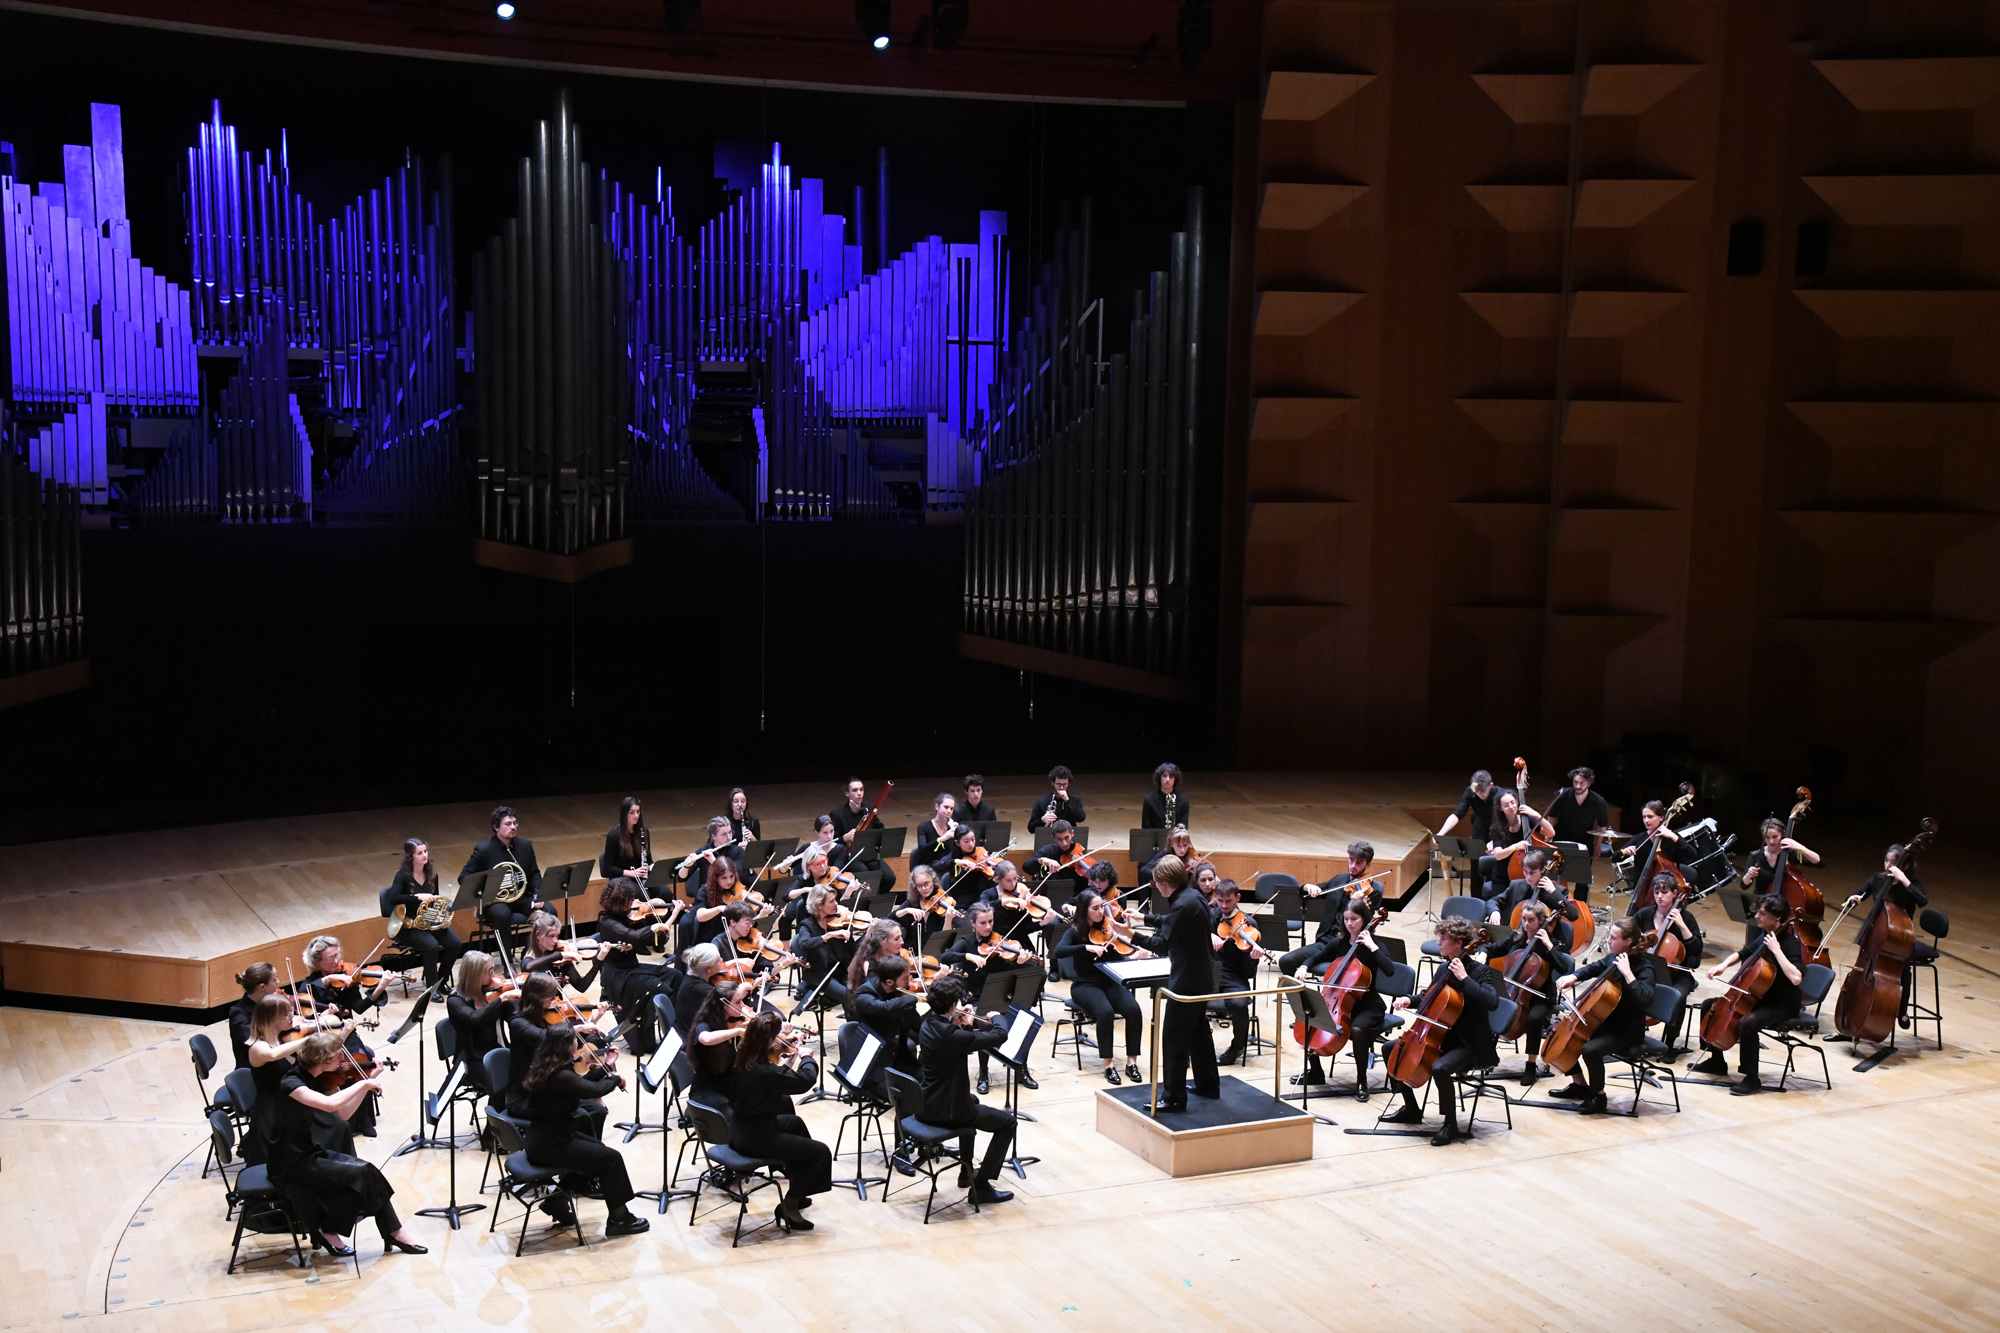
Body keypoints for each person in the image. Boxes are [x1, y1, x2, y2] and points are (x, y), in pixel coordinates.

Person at [268, 1031, 428, 1257]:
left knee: (366, 1173)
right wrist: (362, 1085)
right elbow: (330, 1104)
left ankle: (391, 1232)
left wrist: (366, 1081)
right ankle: (370, 1232)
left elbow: (343, 1113)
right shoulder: (292, 1083)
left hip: (308, 1151)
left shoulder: (321, 1078)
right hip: (289, 1161)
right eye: (337, 1057)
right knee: (363, 1173)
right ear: (322, 1060)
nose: (343, 1061)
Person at [520, 1022, 649, 1235]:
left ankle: (556, 1200)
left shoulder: (548, 1065)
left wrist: (606, 1067)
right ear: (567, 1045)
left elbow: (580, 1085)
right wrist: (615, 1079)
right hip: (552, 1145)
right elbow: (591, 1090)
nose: (577, 1044)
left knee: (598, 1152)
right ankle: (619, 1218)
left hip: (545, 1139)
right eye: (574, 1040)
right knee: (611, 1158)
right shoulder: (560, 1074)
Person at [1381, 916, 1500, 1145]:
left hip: (1469, 1043)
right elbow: (1431, 996)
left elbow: (1492, 1001)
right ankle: (1411, 1109)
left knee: (1441, 1068)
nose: (1438, 943)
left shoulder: (1479, 972)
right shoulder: (1445, 967)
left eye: (1443, 939)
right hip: (1442, 1037)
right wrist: (1410, 1000)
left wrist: (1464, 978)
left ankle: (1450, 1125)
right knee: (1390, 1049)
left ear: (1458, 943)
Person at [913, 974, 1016, 1204]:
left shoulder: (928, 1022)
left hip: (927, 1100)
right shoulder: (951, 1035)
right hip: (948, 1110)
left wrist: (962, 1023)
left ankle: (965, 1173)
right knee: (1008, 1123)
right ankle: (981, 1186)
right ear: (951, 1005)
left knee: (973, 1102)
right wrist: (997, 1016)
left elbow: (956, 1045)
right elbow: (1000, 1035)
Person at [1691, 895, 1805, 1094]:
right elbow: (1744, 952)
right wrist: (1723, 965)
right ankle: (1717, 1061)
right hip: (1762, 996)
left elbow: (1796, 977)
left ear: (1777, 918)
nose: (1757, 916)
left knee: (1748, 1022)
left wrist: (1777, 951)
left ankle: (1752, 1079)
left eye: (1762, 913)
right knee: (1710, 1005)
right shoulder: (1765, 934)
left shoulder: (1789, 943)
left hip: (1782, 1003)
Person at [728, 1012, 832, 1231]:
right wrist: (806, 1057)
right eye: (777, 1035)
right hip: (756, 1137)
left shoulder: (745, 1053)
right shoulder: (763, 1071)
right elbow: (804, 1081)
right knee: (821, 1153)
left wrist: (788, 1056)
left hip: (743, 1127)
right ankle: (789, 1205)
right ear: (768, 1039)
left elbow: (776, 1074)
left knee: (795, 1123)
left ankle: (800, 1186)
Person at [1549, 918, 1658, 1114]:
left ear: (1628, 941)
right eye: (1609, 936)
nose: (1608, 941)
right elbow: (1594, 967)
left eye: (1613, 938)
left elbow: (1646, 999)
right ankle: (1580, 1085)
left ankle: (1598, 1096)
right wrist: (1574, 977)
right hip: (1607, 1022)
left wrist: (1628, 975)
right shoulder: (1614, 957)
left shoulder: (1645, 968)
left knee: (1590, 1050)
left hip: (1627, 1030)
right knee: (1557, 1033)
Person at [1288, 899, 1392, 1099]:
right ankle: (1316, 1072)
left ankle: (1362, 1081)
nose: (1349, 923)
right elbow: (1316, 957)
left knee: (1357, 1030)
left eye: (1354, 919)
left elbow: (1389, 970)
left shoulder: (1375, 945)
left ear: (1365, 920)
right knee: (1309, 1020)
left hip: (1368, 1005)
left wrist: (1372, 947)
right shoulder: (1340, 942)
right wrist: (1304, 967)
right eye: (1346, 919)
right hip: (1337, 1001)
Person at [1138, 854, 1218, 1112]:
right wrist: (1143, 919)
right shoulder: (1192, 896)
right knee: (1198, 1034)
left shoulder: (1183, 904)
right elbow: (1171, 922)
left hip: (1187, 981)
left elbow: (1161, 944)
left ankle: (1173, 1098)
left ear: (1163, 882)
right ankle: (1207, 1084)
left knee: (1173, 1038)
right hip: (1202, 976)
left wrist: (1129, 934)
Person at [941, 901, 1044, 1092]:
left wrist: (1020, 962)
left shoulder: (1002, 942)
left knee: (1022, 1022)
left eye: (991, 921)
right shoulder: (967, 942)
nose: (988, 927)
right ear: (973, 923)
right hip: (979, 996)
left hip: (1004, 992)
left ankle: (1021, 1068)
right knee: (986, 1024)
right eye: (983, 923)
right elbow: (946, 956)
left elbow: (1020, 970)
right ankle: (983, 1071)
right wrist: (968, 957)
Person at [1055, 888, 1149, 1085]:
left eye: (1102, 907)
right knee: (1105, 1012)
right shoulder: (1075, 932)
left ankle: (1132, 1062)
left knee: (1133, 1010)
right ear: (1084, 910)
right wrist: (1085, 947)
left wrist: (1134, 954)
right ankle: (1108, 1065)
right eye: (1096, 908)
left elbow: (1120, 953)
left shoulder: (1109, 927)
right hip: (1085, 985)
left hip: (1110, 982)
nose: (1101, 912)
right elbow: (1058, 952)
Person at [462, 805, 546, 962]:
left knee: (550, 912)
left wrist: (537, 894)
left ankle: (530, 954)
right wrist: (487, 888)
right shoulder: (484, 849)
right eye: (508, 824)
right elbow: (464, 877)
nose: (513, 827)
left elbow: (534, 873)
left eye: (515, 823)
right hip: (495, 901)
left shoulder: (525, 846)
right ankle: (508, 963)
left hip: (521, 898)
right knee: (503, 914)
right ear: (496, 827)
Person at [1497, 900, 1564, 1087]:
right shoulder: (1517, 937)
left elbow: (1564, 966)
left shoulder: (1549, 943)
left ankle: (1531, 1065)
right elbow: (1497, 948)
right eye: (1524, 919)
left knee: (1534, 1019)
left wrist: (1549, 946)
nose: (1526, 924)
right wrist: (1484, 953)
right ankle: (1487, 1054)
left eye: (1531, 920)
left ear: (1542, 921)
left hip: (1541, 996)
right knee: (1491, 1002)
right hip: (1516, 991)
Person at [385, 838, 463, 986]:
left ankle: (442, 981)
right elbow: (392, 898)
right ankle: (431, 987)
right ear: (411, 857)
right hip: (409, 924)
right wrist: (417, 897)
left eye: (425, 851)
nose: (424, 855)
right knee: (431, 946)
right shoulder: (403, 876)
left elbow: (436, 901)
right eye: (419, 853)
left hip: (428, 920)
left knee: (455, 943)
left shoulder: (432, 875)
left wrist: (442, 918)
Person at [1209, 878, 1269, 1067]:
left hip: (1234, 976)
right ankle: (1192, 1047)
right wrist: (1208, 935)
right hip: (1210, 972)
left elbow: (1248, 973)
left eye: (1228, 901)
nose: (1224, 906)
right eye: (1220, 901)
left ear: (1238, 898)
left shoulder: (1250, 925)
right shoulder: (1211, 917)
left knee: (1239, 1003)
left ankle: (1237, 1046)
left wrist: (1253, 958)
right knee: (1190, 999)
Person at [445, 951, 517, 1103]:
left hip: (496, 1050)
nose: (493, 976)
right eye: (488, 971)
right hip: (472, 1060)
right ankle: (499, 1122)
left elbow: (514, 1017)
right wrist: (502, 999)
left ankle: (506, 1120)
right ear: (475, 975)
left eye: (493, 969)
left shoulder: (492, 994)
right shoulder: (455, 1000)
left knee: (527, 1070)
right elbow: (474, 1018)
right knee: (503, 1081)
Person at [1486, 847, 1580, 950]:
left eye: (1532, 873)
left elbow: (1573, 915)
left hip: (1543, 946)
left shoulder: (1558, 891)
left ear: (1543, 869)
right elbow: (1493, 901)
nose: (1528, 877)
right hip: (1516, 940)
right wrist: (1494, 912)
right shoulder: (1516, 885)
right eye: (1525, 871)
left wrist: (1554, 893)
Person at [1298, 842, 1384, 948]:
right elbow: (1312, 891)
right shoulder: (1340, 879)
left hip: (1348, 943)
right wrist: (1307, 887)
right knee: (1287, 960)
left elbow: (1365, 919)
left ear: (1368, 865)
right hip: (1325, 940)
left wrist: (1356, 903)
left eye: (1359, 863)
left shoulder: (1374, 889)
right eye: (1351, 860)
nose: (1353, 866)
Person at [850, 954, 924, 1076]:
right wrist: (917, 998)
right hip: (874, 1066)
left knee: (932, 1084)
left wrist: (940, 1011)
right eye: (905, 978)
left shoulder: (901, 994)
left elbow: (917, 1024)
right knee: (912, 1093)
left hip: (898, 1059)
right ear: (890, 982)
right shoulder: (864, 994)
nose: (910, 981)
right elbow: (884, 1008)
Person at [794, 884, 860, 1008]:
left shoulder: (838, 921)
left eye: (835, 899)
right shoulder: (807, 925)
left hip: (842, 971)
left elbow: (852, 948)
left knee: (862, 992)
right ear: (819, 905)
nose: (836, 903)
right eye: (831, 901)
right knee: (849, 997)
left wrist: (869, 932)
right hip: (822, 976)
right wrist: (829, 935)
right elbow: (805, 944)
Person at [829, 778, 897, 895]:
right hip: (850, 856)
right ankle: (866, 899)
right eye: (855, 790)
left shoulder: (869, 809)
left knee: (889, 877)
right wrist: (845, 838)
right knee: (865, 873)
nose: (859, 793)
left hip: (869, 853)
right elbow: (832, 842)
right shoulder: (837, 814)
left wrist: (871, 835)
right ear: (847, 793)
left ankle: (873, 899)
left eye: (861, 790)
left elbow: (880, 828)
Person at [685, 978, 751, 1100]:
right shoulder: (704, 1024)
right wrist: (738, 1031)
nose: (742, 1005)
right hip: (708, 1090)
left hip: (729, 1081)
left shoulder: (730, 1022)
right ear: (724, 1005)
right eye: (738, 1002)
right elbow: (706, 1039)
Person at [1482, 790, 1554, 898]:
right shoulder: (1497, 827)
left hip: (1526, 875)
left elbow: (1551, 832)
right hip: (1504, 877)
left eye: (1513, 802)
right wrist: (1514, 847)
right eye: (1506, 805)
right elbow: (1498, 855)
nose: (1511, 806)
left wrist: (1536, 814)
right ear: (1500, 808)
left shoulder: (1526, 819)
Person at [520, 911, 603, 993]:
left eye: (557, 936)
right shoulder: (531, 957)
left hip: (559, 1003)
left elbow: (581, 986)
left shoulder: (561, 957)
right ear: (538, 935)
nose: (555, 940)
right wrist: (561, 955)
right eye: (551, 936)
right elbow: (527, 967)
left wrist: (598, 963)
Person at [1742, 817, 1822, 897]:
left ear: (1783, 834)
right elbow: (1744, 886)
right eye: (1767, 837)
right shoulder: (1756, 855)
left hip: (1785, 901)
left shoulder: (1790, 854)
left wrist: (1801, 848)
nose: (1771, 841)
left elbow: (1819, 862)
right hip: (1762, 902)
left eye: (1775, 837)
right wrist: (1748, 875)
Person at [1544, 767, 1611, 849]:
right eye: (1575, 782)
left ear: (1589, 783)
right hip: (1561, 838)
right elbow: (1552, 816)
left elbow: (1602, 825)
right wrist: (1547, 837)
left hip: (1585, 841)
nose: (1578, 786)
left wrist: (1598, 845)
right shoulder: (1562, 795)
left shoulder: (1598, 801)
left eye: (1582, 783)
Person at [228, 962, 280, 1068]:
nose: (278, 982)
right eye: (274, 980)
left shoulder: (268, 1003)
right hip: (255, 1069)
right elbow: (254, 1039)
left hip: (271, 1062)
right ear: (262, 987)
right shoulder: (238, 1015)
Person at [1026, 819, 1092, 899]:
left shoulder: (1081, 852)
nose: (1064, 843)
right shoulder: (1048, 851)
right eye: (1059, 839)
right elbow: (1026, 867)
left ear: (1072, 833)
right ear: (1054, 838)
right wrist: (1042, 860)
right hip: (1051, 896)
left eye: (1066, 837)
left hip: (1076, 898)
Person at [600, 796, 653, 886]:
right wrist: (632, 873)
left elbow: (649, 860)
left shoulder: (644, 832)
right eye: (632, 812)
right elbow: (608, 868)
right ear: (624, 814)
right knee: (642, 896)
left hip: (641, 877)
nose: (636, 815)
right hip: (623, 879)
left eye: (638, 812)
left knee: (665, 892)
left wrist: (651, 867)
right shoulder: (613, 835)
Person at [1436, 770, 1497, 844]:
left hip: (1498, 827)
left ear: (1491, 785)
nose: (1479, 793)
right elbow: (1457, 814)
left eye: (1483, 790)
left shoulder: (1500, 794)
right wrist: (1441, 833)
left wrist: (1496, 840)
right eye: (1477, 790)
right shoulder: (1470, 791)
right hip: (1480, 828)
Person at [914, 792, 962, 873]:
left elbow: (957, 853)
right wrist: (943, 838)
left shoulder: (952, 828)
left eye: (951, 808)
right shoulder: (924, 827)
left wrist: (960, 835)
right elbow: (922, 851)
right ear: (937, 806)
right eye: (946, 807)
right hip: (927, 868)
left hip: (946, 867)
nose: (949, 811)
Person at [1029, 766, 1086, 832]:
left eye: (1064, 784)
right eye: (1058, 784)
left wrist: (1067, 800)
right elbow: (1031, 829)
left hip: (1068, 838)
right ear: (1052, 783)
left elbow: (1081, 818)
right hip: (1049, 838)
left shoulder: (1074, 800)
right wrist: (1042, 820)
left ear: (1068, 784)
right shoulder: (1042, 801)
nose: (1061, 787)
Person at [1142, 762, 1189, 830]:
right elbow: (1146, 829)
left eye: (1171, 776)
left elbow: (1183, 829)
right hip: (1155, 840)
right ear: (1159, 778)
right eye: (1164, 776)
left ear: (1175, 779)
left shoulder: (1183, 801)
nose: (1167, 779)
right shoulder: (1149, 801)